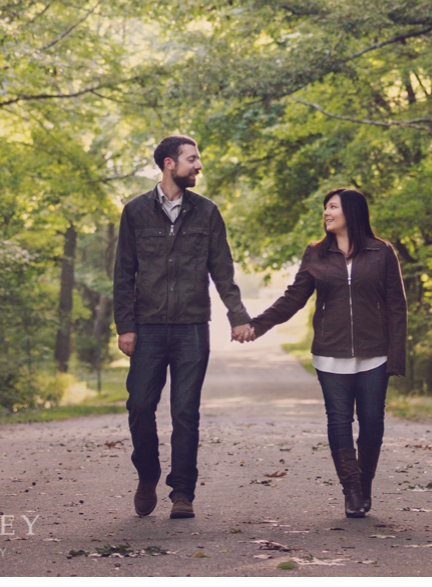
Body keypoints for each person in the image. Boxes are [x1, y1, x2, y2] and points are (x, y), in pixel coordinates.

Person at [112, 133, 256, 519]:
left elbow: (222, 270)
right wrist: (125, 326)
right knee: (140, 405)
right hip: (148, 327)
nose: (199, 166)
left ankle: (182, 492)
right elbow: (123, 274)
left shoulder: (207, 212)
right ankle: (147, 475)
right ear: (169, 164)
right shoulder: (135, 212)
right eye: (192, 159)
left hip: (192, 327)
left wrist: (238, 316)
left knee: (185, 413)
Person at [246, 188, 409, 519]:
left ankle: (364, 482)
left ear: (352, 211)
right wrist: (257, 326)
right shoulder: (316, 253)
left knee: (372, 422)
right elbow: (294, 298)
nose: (326, 212)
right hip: (330, 353)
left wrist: (396, 356)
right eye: (326, 207)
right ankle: (352, 491)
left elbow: (397, 305)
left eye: (333, 207)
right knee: (338, 420)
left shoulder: (381, 252)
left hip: (374, 353)